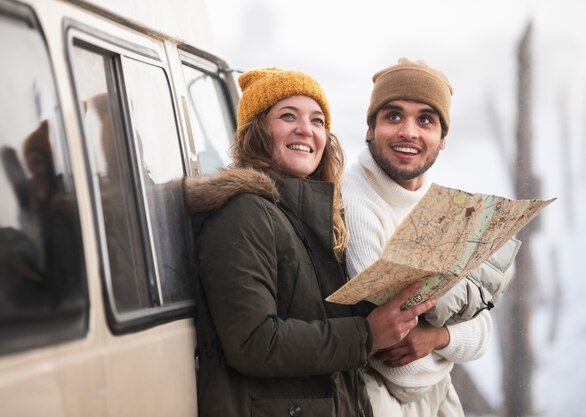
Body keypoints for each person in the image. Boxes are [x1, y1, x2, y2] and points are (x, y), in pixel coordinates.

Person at [185, 67, 436, 417]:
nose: (306, 130)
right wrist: (366, 334)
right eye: (288, 116)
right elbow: (254, 342)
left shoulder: (316, 218)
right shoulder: (243, 213)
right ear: (257, 130)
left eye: (318, 121)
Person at [343, 58, 520, 416]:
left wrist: (438, 337)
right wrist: (451, 340)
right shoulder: (353, 197)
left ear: (442, 140)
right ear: (369, 129)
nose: (409, 131)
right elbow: (402, 367)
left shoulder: (441, 205)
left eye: (425, 119)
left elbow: (483, 327)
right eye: (393, 116)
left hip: (440, 401)